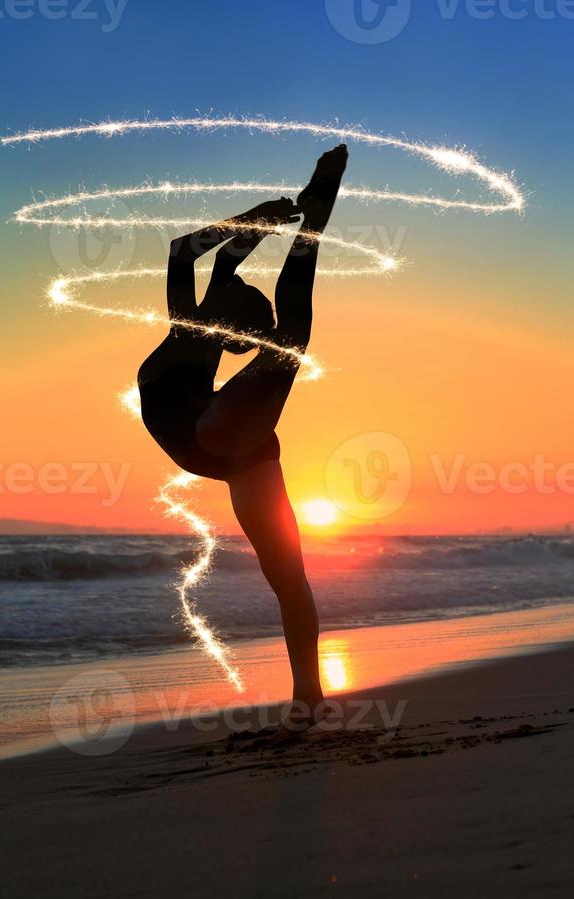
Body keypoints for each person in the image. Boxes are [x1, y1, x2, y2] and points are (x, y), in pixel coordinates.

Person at [138, 144, 348, 733]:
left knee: (288, 572)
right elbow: (205, 255)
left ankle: (309, 696)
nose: (231, 292)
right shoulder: (192, 322)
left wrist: (261, 216)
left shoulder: (190, 324)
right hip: (214, 434)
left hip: (228, 441)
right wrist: (264, 213)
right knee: (292, 343)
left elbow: (201, 257)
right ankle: (314, 226)